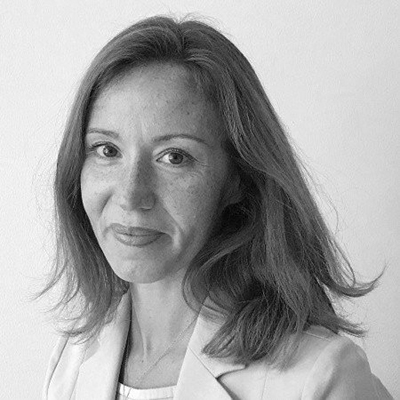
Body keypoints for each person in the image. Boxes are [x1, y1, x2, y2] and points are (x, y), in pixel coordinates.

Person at [41, 15, 393, 400]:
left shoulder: (321, 376)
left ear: (238, 179)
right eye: (107, 150)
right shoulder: (72, 359)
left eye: (174, 157)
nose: (130, 195)